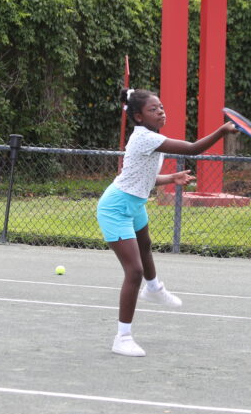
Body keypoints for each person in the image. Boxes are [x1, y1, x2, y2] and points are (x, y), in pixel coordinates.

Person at [97, 88, 238, 357]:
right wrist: (221, 132)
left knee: (146, 246)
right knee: (134, 270)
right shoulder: (144, 138)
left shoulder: (152, 138)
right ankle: (122, 338)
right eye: (153, 109)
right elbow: (194, 149)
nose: (160, 111)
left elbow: (143, 177)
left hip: (135, 202)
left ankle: (154, 289)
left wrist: (171, 178)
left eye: (161, 106)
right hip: (115, 208)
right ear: (138, 116)